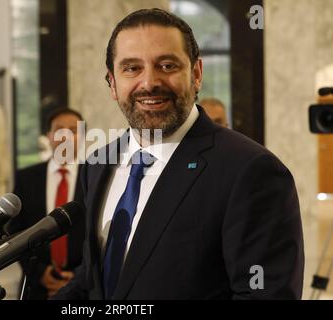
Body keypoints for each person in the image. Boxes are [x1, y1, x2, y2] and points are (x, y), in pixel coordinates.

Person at [52, 8, 304, 300]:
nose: (149, 83)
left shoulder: (251, 171)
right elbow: (92, 279)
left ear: (196, 73)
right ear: (112, 83)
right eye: (132, 68)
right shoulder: (97, 164)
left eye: (167, 65)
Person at [6, 108, 86, 299]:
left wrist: (78, 276)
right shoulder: (26, 178)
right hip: (35, 286)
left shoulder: (95, 176)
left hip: (84, 287)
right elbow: (15, 230)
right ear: (49, 136)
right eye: (59, 130)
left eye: (73, 131)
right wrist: (38, 272)